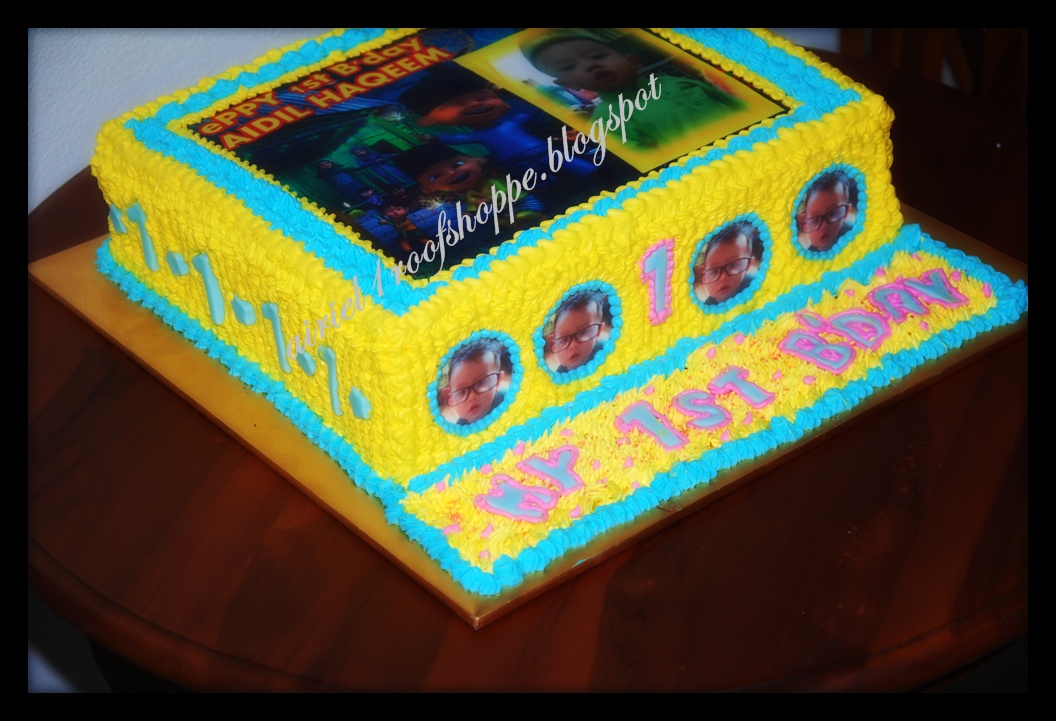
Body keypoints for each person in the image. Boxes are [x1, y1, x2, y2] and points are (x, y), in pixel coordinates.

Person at [523, 30, 746, 151]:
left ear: (633, 61)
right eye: (568, 67)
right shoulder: (607, 120)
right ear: (568, 85)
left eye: (596, 56)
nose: (590, 65)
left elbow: (733, 103)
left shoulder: (671, 82)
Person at [441, 338, 512, 425]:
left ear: (498, 380)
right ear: (452, 399)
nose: (472, 397)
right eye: (462, 392)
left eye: (481, 383)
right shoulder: (460, 429)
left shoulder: (509, 402)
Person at [693, 220, 763, 305]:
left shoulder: (758, 286)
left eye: (733, 265)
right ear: (704, 276)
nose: (723, 277)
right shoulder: (706, 308)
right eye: (715, 271)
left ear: (748, 265)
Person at [544, 289, 612, 372]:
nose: (573, 345)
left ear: (598, 331)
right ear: (554, 346)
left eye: (583, 332)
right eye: (564, 340)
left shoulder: (608, 352)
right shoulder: (559, 376)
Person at [797, 170, 859, 252]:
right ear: (805, 224)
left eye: (832, 214)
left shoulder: (855, 237)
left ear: (846, 212)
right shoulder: (807, 256)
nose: (824, 226)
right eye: (815, 220)